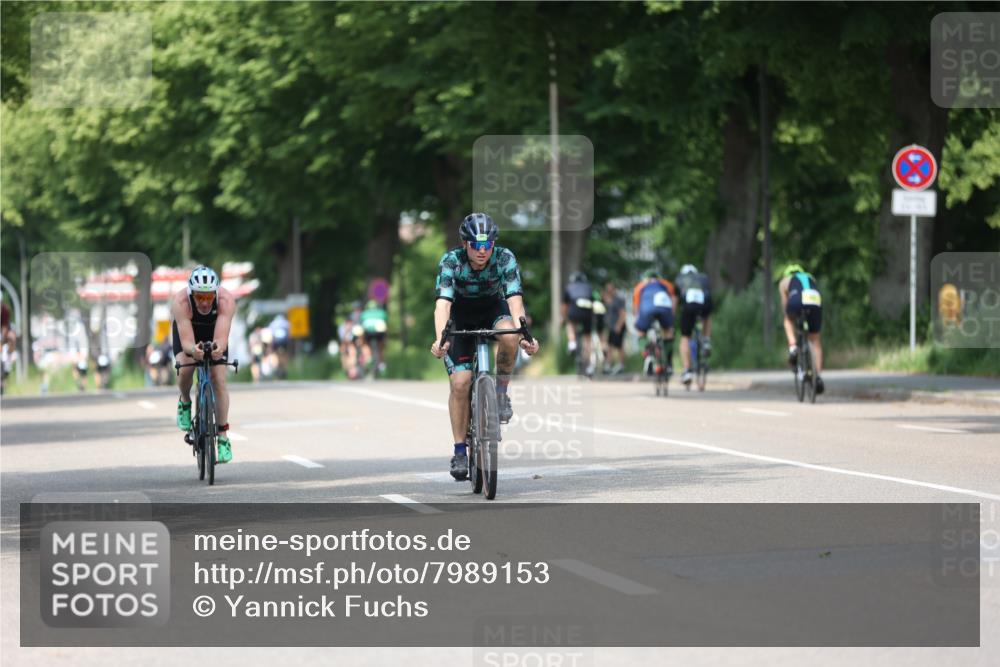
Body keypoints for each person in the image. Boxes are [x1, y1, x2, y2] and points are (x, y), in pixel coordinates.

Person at [430, 213, 540, 480]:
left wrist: (525, 333)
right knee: (460, 382)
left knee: (510, 336)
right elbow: (442, 304)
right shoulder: (451, 261)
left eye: (488, 245)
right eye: (477, 246)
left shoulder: (505, 258)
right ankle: (459, 451)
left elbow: (515, 301)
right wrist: (441, 340)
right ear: (465, 244)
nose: (482, 251)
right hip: (461, 315)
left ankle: (501, 393)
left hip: (493, 308)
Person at [171, 265, 237, 463]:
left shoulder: (226, 301)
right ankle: (184, 400)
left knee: (218, 379)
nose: (205, 303)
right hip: (189, 335)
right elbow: (187, 342)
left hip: (214, 333)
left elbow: (222, 338)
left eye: (209, 297)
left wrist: (218, 348)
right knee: (185, 368)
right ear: (191, 294)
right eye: (200, 297)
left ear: (216, 294)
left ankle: (223, 436)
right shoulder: (181, 302)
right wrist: (193, 351)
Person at [778, 263, 824, 394]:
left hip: (796, 299)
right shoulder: (810, 277)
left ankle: (793, 346)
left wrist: (789, 315)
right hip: (815, 299)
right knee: (815, 339)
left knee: (787, 320)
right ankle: (818, 377)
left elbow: (785, 304)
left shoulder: (784, 282)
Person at [631, 270, 678, 376]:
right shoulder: (666, 284)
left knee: (640, 332)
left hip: (647, 309)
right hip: (664, 308)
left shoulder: (640, 286)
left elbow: (636, 309)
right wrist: (672, 316)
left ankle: (647, 355)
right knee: (668, 332)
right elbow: (674, 299)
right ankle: (669, 364)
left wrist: (637, 322)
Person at [674, 264, 713, 386]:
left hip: (689, 306)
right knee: (707, 316)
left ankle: (687, 370)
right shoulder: (703, 278)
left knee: (685, 337)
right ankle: (706, 339)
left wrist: (673, 316)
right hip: (704, 304)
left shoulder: (679, 279)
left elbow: (675, 302)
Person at [562, 271, 596, 375]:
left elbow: (564, 306)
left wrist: (563, 317)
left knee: (570, 325)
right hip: (587, 313)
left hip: (574, 310)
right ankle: (589, 364)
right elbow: (594, 302)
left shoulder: (569, 287)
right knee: (587, 337)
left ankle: (572, 343)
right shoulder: (589, 287)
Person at [602, 282, 626, 375]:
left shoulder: (618, 300)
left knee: (619, 347)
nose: (609, 291)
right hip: (611, 327)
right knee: (610, 346)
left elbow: (623, 314)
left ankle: (621, 364)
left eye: (611, 289)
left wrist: (619, 325)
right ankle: (608, 365)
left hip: (618, 326)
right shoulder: (609, 300)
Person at [360, 299, 389, 375]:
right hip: (379, 334)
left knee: (365, 345)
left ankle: (368, 358)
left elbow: (361, 324)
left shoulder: (364, 314)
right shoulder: (382, 313)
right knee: (381, 348)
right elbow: (385, 323)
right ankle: (381, 364)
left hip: (368, 333)